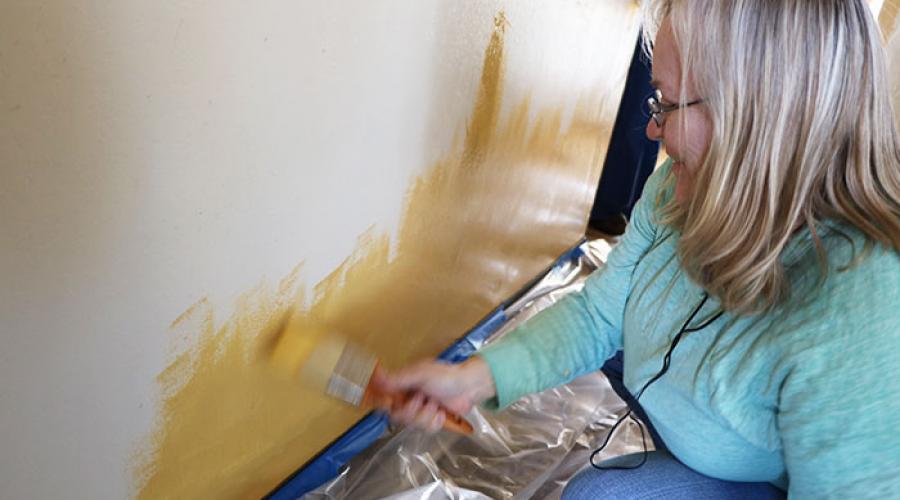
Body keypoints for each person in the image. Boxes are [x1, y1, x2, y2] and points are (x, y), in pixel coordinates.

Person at [375, 1, 900, 498]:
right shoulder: (678, 185)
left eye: (667, 105)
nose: (652, 128)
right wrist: (472, 379)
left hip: (777, 479)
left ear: (757, 117)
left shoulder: (860, 312)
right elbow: (601, 314)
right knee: (626, 330)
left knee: (602, 496)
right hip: (728, 425)